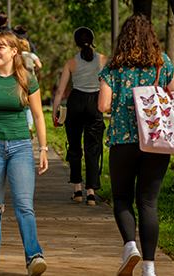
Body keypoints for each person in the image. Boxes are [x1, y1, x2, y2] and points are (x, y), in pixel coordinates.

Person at [98, 14, 174, 276]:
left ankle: (130, 247)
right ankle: (150, 268)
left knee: (122, 198)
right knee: (148, 203)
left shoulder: (114, 65)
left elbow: (103, 105)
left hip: (123, 139)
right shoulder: (163, 63)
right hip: (156, 141)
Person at [0, 31, 48, 276]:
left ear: (14, 52)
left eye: (1, 47)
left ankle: (34, 256)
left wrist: (43, 148)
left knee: (24, 205)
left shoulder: (26, 79)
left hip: (21, 147)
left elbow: (38, 116)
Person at [52, 27, 108, 206]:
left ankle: (77, 189)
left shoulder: (70, 62)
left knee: (75, 146)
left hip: (76, 102)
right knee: (93, 148)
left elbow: (61, 90)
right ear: (92, 40)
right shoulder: (103, 60)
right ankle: (91, 193)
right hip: (95, 103)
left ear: (75, 43)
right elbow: (110, 85)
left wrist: (55, 111)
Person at [18, 38, 42, 138]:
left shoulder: (18, 55)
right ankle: (29, 125)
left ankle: (21, 126)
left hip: (20, 81)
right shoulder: (32, 55)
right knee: (29, 105)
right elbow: (39, 65)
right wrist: (34, 66)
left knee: (20, 102)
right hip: (31, 81)